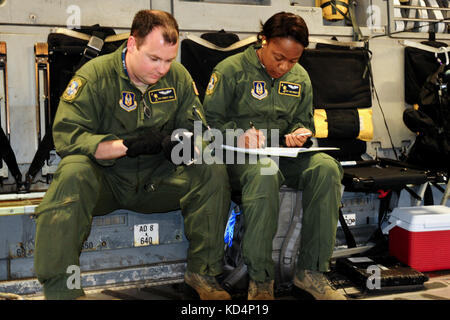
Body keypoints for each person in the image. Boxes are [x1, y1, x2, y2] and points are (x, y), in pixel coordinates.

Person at [34, 10, 231, 300]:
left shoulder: (177, 78)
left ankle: (203, 273)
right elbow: (68, 138)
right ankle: (63, 290)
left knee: (211, 166)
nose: (162, 69)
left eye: (168, 60)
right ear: (131, 44)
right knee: (74, 171)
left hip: (158, 181)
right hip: (107, 181)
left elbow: (198, 129)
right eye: (154, 58)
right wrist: (127, 145)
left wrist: (184, 142)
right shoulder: (95, 76)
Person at [203, 11, 345, 300]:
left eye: (293, 60)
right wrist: (239, 133)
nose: (284, 66)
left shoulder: (300, 78)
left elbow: (303, 122)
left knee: (327, 168)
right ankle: (261, 279)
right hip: (235, 157)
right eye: (279, 57)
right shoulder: (230, 70)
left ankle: (312, 272)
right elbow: (207, 126)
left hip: (282, 154)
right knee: (265, 170)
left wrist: (301, 133)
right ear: (263, 41)